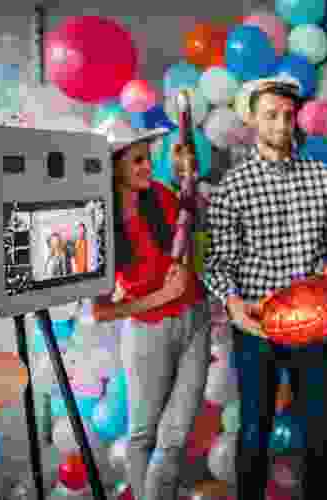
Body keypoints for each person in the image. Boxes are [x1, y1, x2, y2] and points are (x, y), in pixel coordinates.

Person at [204, 78, 327, 500]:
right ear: (253, 119)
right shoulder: (233, 186)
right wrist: (233, 305)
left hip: (312, 323)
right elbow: (217, 261)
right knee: (255, 426)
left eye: (288, 115)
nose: (282, 123)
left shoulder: (324, 178)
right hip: (256, 325)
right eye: (271, 114)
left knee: (320, 426)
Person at [91, 128, 211, 500]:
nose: (147, 166)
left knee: (175, 436)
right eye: (138, 160)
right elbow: (100, 312)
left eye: (148, 157)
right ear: (113, 168)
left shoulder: (158, 195)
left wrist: (187, 180)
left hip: (196, 320)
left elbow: (191, 235)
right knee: (143, 434)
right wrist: (162, 295)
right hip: (148, 333)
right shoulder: (100, 226)